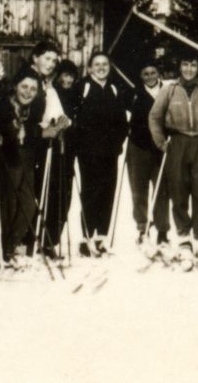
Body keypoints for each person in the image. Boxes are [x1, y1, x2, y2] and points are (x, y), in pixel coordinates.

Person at [149, 52, 198, 268]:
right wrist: (161, 142)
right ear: (179, 66)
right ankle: (184, 240)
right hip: (177, 143)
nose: (189, 69)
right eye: (185, 64)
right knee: (178, 191)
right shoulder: (169, 90)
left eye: (193, 65)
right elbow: (154, 117)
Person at [19, 42, 75, 260]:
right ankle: (19, 243)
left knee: (45, 194)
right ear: (35, 57)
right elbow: (22, 117)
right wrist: (44, 130)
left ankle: (40, 241)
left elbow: (54, 114)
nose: (51, 64)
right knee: (25, 197)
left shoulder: (46, 84)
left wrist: (59, 123)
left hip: (40, 146)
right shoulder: (28, 80)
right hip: (26, 146)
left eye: (54, 60)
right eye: (47, 58)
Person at [72, 51, 129, 257]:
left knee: (107, 192)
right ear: (89, 68)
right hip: (88, 152)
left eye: (105, 64)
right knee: (91, 192)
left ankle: (101, 237)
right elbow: (75, 118)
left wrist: (118, 142)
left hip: (110, 152)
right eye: (97, 64)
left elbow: (122, 121)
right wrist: (81, 144)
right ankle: (87, 238)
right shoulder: (83, 87)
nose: (101, 68)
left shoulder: (114, 88)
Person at [0, 70, 41, 269]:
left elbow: (33, 131)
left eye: (33, 89)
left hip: (25, 158)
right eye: (24, 87)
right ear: (15, 86)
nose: (28, 92)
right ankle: (0, 249)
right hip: (8, 158)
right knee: (9, 203)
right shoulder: (5, 105)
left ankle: (10, 246)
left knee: (29, 204)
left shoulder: (33, 109)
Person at [126, 62, 169, 247]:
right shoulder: (134, 93)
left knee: (162, 190)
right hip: (139, 147)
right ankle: (142, 227)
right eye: (146, 73)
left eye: (153, 72)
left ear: (158, 73)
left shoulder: (167, 92)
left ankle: (162, 231)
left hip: (161, 148)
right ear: (141, 76)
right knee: (138, 189)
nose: (150, 76)